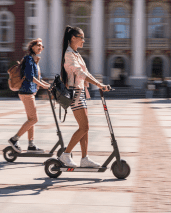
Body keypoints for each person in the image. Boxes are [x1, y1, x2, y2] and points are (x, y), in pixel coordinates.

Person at [58, 26, 110, 168]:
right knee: (84, 127)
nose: (84, 41)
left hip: (80, 92)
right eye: (82, 38)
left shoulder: (76, 54)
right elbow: (80, 73)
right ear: (73, 38)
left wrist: (100, 84)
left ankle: (84, 158)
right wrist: (99, 84)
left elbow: (87, 73)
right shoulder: (69, 54)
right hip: (74, 93)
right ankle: (66, 154)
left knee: (85, 127)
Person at [8, 38, 51, 153]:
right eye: (38, 45)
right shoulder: (28, 59)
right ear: (32, 47)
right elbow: (29, 76)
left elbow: (38, 78)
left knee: (31, 119)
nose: (40, 48)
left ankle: (31, 145)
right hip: (26, 92)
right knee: (34, 119)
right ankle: (14, 139)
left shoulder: (34, 60)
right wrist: (42, 85)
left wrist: (49, 85)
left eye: (42, 46)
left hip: (29, 92)